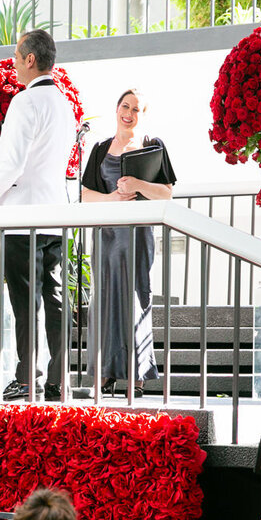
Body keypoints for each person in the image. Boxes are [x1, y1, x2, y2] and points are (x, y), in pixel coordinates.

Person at [0, 29, 77, 402]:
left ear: (31, 59)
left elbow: (11, 165)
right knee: (56, 299)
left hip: (24, 218)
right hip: (56, 215)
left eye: (17, 55)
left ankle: (26, 378)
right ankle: (57, 380)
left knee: (25, 303)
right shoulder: (65, 104)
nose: (14, 61)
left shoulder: (24, 103)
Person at [80, 89, 176, 396]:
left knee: (135, 299)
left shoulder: (152, 145)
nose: (129, 113)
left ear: (142, 115)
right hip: (106, 234)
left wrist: (137, 185)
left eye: (136, 109)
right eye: (125, 106)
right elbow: (85, 196)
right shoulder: (99, 148)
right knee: (104, 299)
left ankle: (136, 374)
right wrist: (111, 197)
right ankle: (105, 372)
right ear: (116, 108)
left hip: (136, 235)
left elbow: (167, 192)